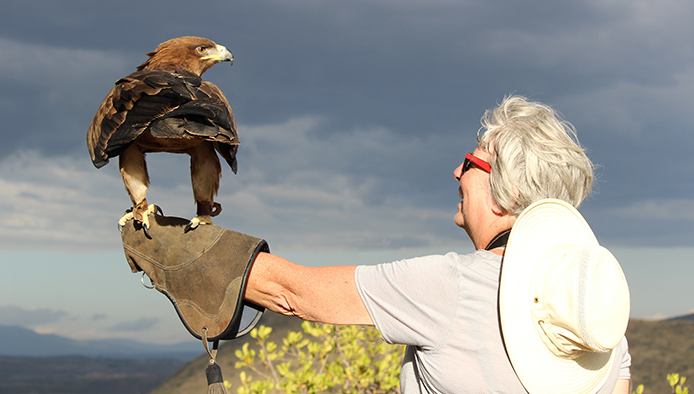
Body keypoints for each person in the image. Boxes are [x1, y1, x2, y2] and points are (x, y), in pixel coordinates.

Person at [240, 95, 631, 393]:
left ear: (507, 191)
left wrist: (185, 245)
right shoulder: (594, 312)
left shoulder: (455, 286)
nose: (457, 171)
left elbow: (295, 292)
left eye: (472, 162)